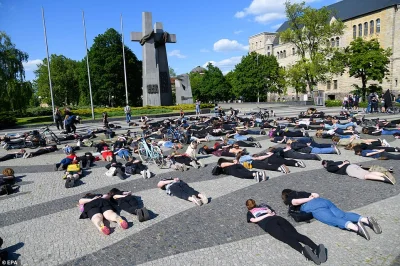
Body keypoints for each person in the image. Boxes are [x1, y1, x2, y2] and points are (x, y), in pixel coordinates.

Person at [246, 199, 325, 264]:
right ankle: (316, 248)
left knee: (287, 239)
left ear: (247, 206)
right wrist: (269, 213)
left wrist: (266, 215)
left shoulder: (250, 213)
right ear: (255, 203)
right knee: (296, 235)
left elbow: (254, 220)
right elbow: (273, 213)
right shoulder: (264, 206)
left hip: (269, 225)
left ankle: (304, 251)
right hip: (278, 219)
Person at [281, 189, 382, 240]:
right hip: (323, 201)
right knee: (342, 215)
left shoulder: (289, 197)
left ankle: (356, 228)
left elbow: (294, 202)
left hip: (312, 206)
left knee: (332, 219)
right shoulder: (301, 192)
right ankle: (365, 220)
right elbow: (316, 195)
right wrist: (312, 196)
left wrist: (309, 199)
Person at [322, 160, 395, 184]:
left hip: (349, 169)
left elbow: (335, 168)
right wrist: (345, 162)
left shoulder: (329, 167)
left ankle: (384, 179)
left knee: (365, 176)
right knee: (367, 173)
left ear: (325, 164)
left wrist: (343, 164)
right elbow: (346, 161)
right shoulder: (337, 162)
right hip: (352, 166)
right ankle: (382, 175)